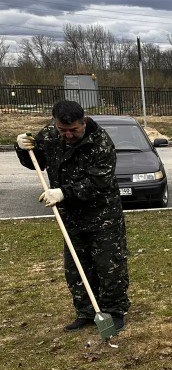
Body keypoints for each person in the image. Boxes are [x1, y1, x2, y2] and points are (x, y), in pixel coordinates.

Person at [15, 99, 130, 332]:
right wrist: (22, 148)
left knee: (109, 265)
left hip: (102, 215)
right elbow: (35, 161)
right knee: (76, 268)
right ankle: (86, 312)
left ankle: (114, 311)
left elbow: (100, 182)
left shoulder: (101, 143)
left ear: (83, 122)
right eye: (62, 130)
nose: (67, 135)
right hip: (70, 216)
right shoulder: (49, 135)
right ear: (55, 123)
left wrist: (63, 193)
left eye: (73, 130)